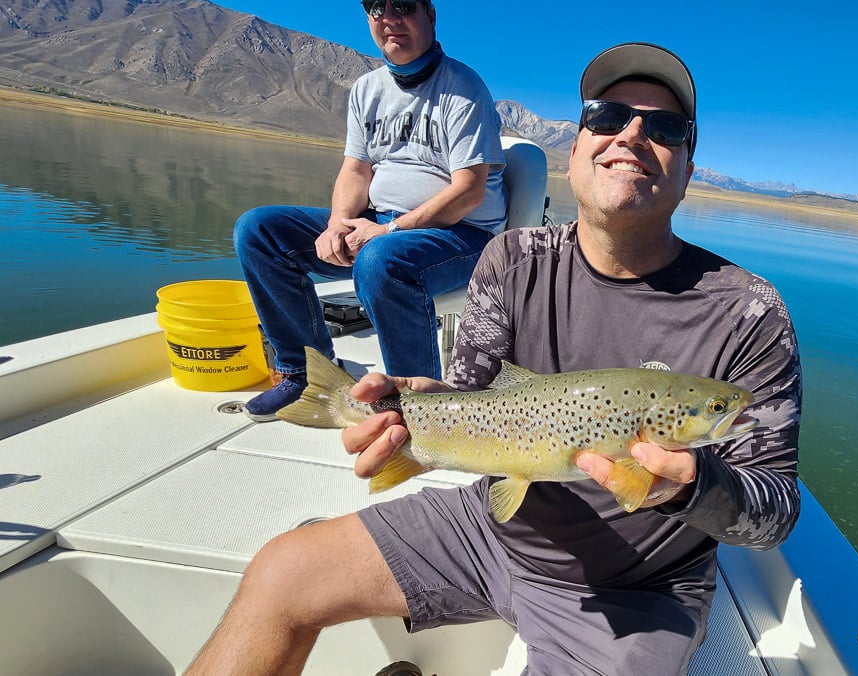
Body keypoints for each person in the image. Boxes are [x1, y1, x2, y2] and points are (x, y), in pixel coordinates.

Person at [187, 42, 801, 675]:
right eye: (608, 117)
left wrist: (690, 486)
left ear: (689, 168)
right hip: (487, 529)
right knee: (281, 570)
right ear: (577, 150)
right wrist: (413, 419)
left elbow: (774, 513)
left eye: (666, 127)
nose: (633, 135)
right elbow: (472, 395)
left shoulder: (749, 313)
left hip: (636, 591)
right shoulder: (511, 260)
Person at [234, 0, 507, 421]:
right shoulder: (367, 89)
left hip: (466, 236)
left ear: (430, 15)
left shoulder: (463, 87)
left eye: (403, 5)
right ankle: (306, 374)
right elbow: (356, 170)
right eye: (377, 6)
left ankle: (417, 409)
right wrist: (337, 224)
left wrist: (388, 231)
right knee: (259, 231)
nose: (390, 18)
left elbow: (469, 192)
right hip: (382, 222)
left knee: (381, 260)